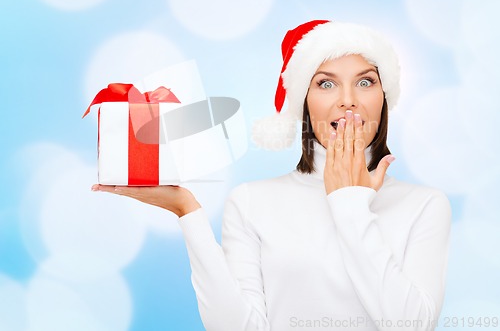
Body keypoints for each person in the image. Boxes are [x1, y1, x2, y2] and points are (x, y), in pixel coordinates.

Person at [92, 20, 451, 331]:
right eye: (326, 84)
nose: (347, 100)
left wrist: (351, 203)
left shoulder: (424, 205)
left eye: (365, 82)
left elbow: (411, 325)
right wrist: (188, 212)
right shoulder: (252, 202)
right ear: (304, 101)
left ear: (384, 96)